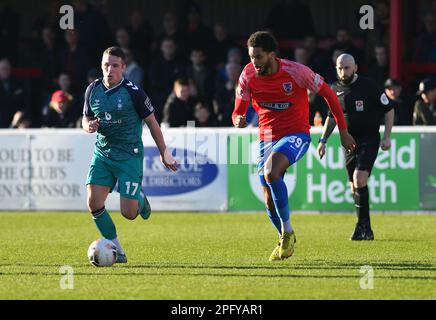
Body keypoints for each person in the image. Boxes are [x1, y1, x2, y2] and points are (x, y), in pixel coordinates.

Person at [233, 31, 356, 262]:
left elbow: (330, 94)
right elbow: (238, 109)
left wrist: (344, 131)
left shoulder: (297, 72)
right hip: (266, 137)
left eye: (258, 57)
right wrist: (237, 118)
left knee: (271, 171)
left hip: (295, 133)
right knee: (267, 196)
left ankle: (288, 231)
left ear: (271, 54)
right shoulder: (247, 75)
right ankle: (284, 238)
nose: (254, 62)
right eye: (251, 57)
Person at [82, 47, 178, 263]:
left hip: (129, 156)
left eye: (115, 65)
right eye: (106, 65)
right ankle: (117, 250)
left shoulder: (134, 92)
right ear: (101, 66)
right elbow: (85, 118)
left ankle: (140, 200)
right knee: (93, 202)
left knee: (129, 213)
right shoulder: (92, 89)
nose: (110, 69)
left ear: (123, 68)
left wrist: (164, 153)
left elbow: (152, 123)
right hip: (103, 153)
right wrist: (88, 126)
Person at [317, 54, 395, 241]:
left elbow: (389, 109)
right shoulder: (334, 89)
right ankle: (366, 228)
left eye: (347, 68)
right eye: (339, 68)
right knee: (354, 186)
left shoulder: (369, 86)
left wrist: (387, 137)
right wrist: (323, 140)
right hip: (349, 142)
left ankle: (361, 227)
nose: (343, 72)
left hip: (369, 138)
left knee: (359, 178)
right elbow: (331, 117)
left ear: (355, 67)